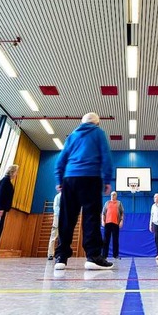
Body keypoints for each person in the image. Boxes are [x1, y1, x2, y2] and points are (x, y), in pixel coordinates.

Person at [54, 112, 114, 271]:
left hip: (70, 179)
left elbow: (61, 160)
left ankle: (61, 257)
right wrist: (107, 180)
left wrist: (60, 180)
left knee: (66, 219)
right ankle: (93, 257)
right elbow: (106, 157)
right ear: (97, 123)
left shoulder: (72, 135)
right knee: (91, 218)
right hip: (91, 179)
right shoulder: (98, 133)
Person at [101, 191, 124, 259]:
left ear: (116, 196)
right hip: (107, 223)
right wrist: (102, 220)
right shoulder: (107, 203)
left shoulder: (119, 203)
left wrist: (121, 221)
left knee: (115, 240)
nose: (112, 196)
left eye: (114, 195)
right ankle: (104, 255)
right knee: (106, 240)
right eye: (111, 194)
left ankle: (115, 255)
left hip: (115, 223)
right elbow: (103, 213)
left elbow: (122, 213)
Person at [47, 191, 61, 260]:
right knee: (54, 235)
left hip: (65, 218)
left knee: (63, 237)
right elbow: (56, 208)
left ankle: (60, 253)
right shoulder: (58, 196)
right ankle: (50, 254)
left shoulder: (67, 196)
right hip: (58, 217)